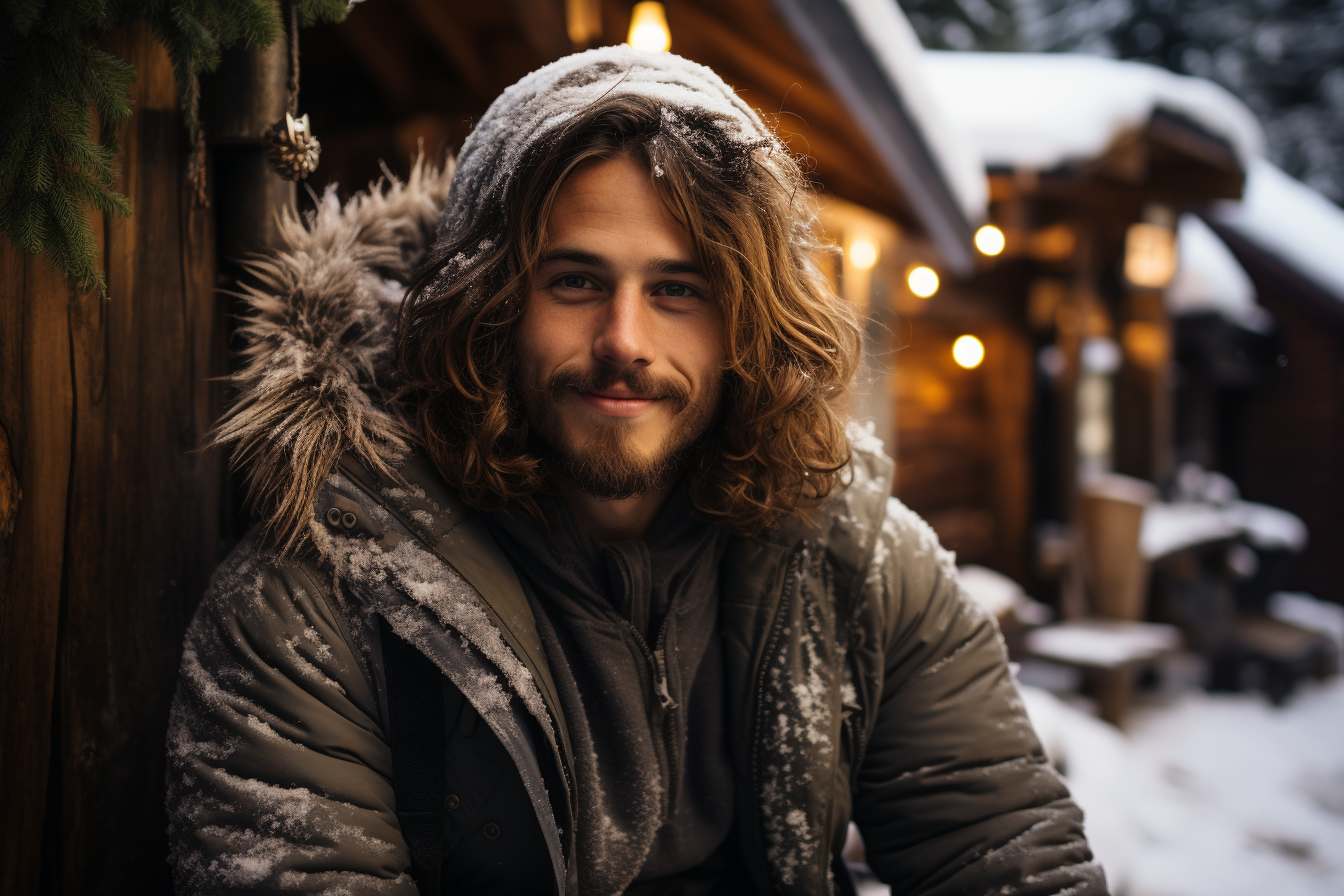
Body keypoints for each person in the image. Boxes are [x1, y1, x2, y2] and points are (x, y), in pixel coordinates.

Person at [166, 47, 1106, 896]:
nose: (626, 341)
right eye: (574, 281)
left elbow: (1008, 849)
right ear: (486, 302)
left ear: (748, 319)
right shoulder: (306, 609)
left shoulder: (858, 563)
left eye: (678, 290)